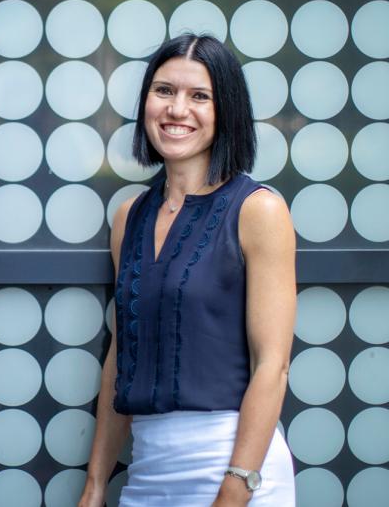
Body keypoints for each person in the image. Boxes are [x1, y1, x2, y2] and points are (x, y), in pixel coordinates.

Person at [79, 34, 296, 507]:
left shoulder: (259, 211)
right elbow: (122, 356)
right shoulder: (128, 217)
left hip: (236, 468)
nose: (178, 109)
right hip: (148, 473)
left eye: (200, 96)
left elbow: (272, 367)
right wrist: (96, 484)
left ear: (227, 111)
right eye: (164, 91)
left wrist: (235, 489)